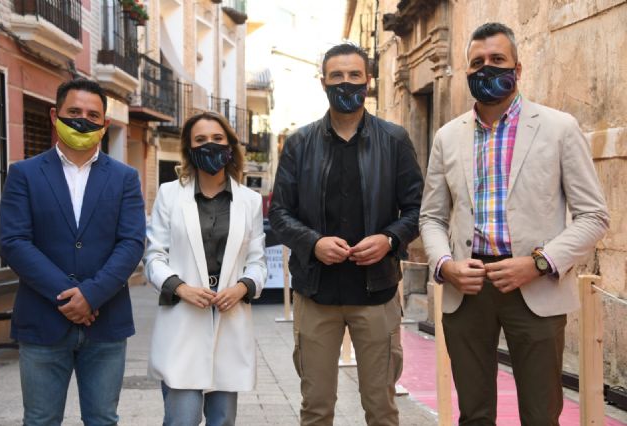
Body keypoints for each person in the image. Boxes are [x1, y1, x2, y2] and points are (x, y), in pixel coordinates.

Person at [419, 22, 610, 425]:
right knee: (474, 415)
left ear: (517, 69)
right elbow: (432, 217)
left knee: (541, 415)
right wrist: (445, 265)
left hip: (535, 286)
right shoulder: (447, 137)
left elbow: (593, 215)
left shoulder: (559, 128)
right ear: (467, 71)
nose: (486, 68)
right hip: (467, 288)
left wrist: (538, 262)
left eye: (497, 59)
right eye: (477, 62)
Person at [269, 43, 424, 426]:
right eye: (336, 76)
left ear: (368, 80)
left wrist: (389, 239)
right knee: (316, 409)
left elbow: (419, 209)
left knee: (381, 408)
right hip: (316, 293)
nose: (346, 83)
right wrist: (313, 243)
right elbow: (279, 213)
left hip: (377, 293)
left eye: (354, 75)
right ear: (323, 82)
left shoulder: (394, 140)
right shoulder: (299, 143)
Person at [0, 78, 146, 425]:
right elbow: (14, 241)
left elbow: (131, 243)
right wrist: (69, 296)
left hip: (106, 321)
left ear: (104, 124)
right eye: (74, 112)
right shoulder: (24, 174)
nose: (83, 120)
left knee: (103, 419)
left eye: (93, 115)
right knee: (40, 420)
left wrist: (91, 295)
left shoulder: (125, 178)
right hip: (42, 320)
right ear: (55, 115)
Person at [144, 111, 267, 426]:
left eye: (217, 138)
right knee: (182, 419)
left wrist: (242, 288)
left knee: (223, 419)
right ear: (189, 148)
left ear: (230, 146)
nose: (209, 145)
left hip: (229, 317)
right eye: (200, 140)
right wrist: (180, 287)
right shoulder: (170, 194)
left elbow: (257, 261)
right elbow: (154, 256)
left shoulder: (250, 201)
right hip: (183, 318)